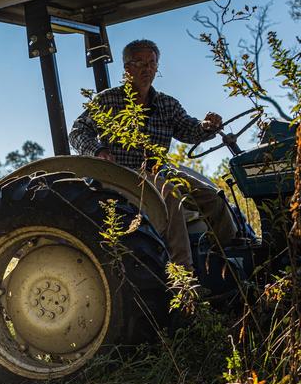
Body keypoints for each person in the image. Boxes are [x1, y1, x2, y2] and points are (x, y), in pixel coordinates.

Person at [68, 39, 238, 270]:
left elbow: (189, 130)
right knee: (170, 195)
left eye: (152, 63)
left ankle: (226, 259)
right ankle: (183, 273)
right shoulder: (108, 100)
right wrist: (99, 150)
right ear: (127, 68)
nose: (147, 69)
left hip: (158, 170)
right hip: (122, 173)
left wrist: (207, 126)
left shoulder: (167, 104)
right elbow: (78, 132)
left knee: (212, 195)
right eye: (139, 63)